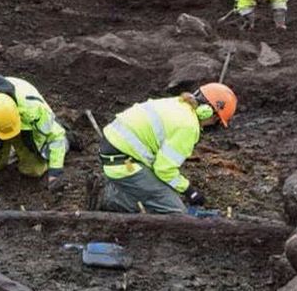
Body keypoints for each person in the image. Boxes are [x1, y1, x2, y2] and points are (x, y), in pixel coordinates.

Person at [96, 83, 237, 214]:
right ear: (207, 112)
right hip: (124, 164)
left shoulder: (178, 103)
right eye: (216, 120)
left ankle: (121, 191)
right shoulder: (188, 126)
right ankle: (109, 198)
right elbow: (164, 169)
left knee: (163, 192)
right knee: (174, 211)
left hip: (112, 151)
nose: (212, 124)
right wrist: (189, 191)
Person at [0, 74, 68, 204]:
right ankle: (7, 150)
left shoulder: (32, 106)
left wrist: (56, 172)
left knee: (34, 170)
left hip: (26, 127)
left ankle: (68, 138)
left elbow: (55, 136)